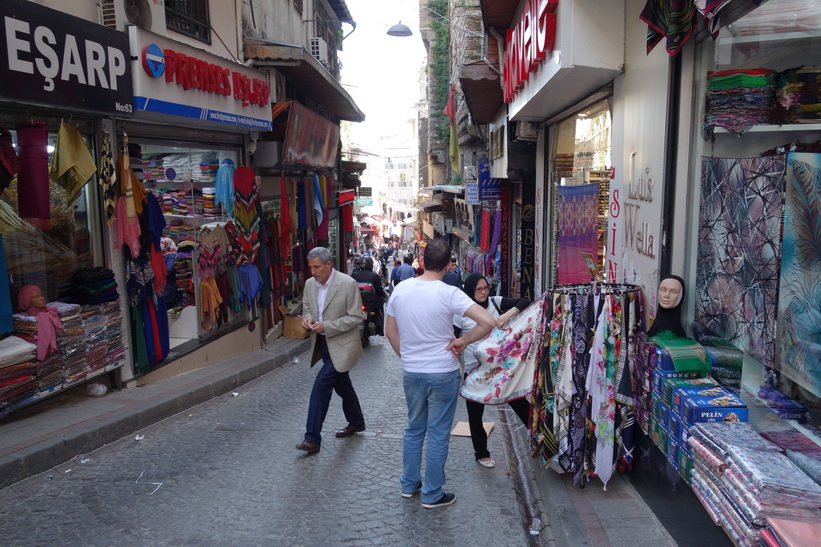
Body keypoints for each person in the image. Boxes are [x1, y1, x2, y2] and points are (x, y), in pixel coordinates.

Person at [385, 239, 495, 509]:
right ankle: (432, 494)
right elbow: (489, 322)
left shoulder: (401, 289)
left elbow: (390, 331)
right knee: (436, 433)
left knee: (414, 429)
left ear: (422, 261)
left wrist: (408, 357)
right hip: (442, 372)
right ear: (448, 265)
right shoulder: (450, 293)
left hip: (413, 371)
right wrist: (464, 341)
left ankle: (409, 485)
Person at [453, 273, 531, 468]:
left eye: (486, 288)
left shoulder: (495, 302)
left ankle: (538, 438)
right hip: (474, 370)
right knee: (475, 412)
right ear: (470, 290)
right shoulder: (461, 312)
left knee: (519, 402)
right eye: (478, 289)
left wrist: (506, 314)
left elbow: (525, 300)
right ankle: (481, 453)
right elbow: (454, 341)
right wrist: (458, 368)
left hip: (500, 368)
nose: (483, 292)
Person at [296, 247, 366, 455]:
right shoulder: (310, 284)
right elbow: (308, 308)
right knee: (343, 385)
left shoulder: (347, 283)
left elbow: (356, 317)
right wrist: (307, 318)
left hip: (343, 345)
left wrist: (327, 326)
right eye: (310, 267)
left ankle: (312, 438)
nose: (313, 272)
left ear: (328, 265)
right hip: (323, 344)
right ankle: (357, 421)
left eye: (317, 267)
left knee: (321, 385)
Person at [351, 256, 387, 336]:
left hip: (357, 301)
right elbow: (379, 290)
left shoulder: (354, 274)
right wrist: (382, 297)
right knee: (380, 307)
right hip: (371, 303)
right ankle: (379, 327)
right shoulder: (374, 275)